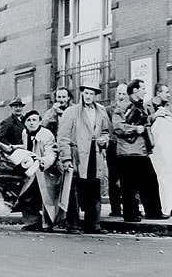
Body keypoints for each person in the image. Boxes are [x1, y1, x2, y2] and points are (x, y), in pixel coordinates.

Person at [112, 79, 170, 222]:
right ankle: (131, 215)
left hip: (141, 150)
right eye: (143, 88)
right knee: (129, 185)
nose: (145, 91)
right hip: (128, 152)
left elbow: (145, 122)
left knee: (150, 181)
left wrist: (155, 116)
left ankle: (153, 212)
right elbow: (118, 127)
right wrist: (134, 129)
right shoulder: (123, 107)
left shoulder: (141, 106)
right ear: (135, 90)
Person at [58, 80, 110, 234]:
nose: (88, 96)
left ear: (95, 96)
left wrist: (104, 140)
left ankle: (93, 224)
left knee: (94, 188)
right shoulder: (71, 112)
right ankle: (72, 224)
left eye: (91, 94)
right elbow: (63, 137)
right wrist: (66, 158)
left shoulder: (101, 111)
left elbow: (106, 132)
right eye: (86, 93)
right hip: (76, 155)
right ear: (82, 93)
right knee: (74, 190)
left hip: (94, 154)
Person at [146, 83, 172, 217]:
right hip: (154, 147)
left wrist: (170, 115)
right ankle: (161, 206)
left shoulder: (169, 106)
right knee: (157, 178)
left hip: (168, 146)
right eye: (166, 92)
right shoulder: (148, 106)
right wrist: (155, 116)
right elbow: (144, 123)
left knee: (171, 176)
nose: (168, 95)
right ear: (158, 93)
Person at [17, 110, 58, 232]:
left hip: (45, 171)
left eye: (34, 120)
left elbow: (51, 152)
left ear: (40, 121)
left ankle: (48, 224)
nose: (31, 123)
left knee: (46, 197)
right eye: (28, 120)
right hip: (30, 171)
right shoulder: (25, 133)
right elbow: (26, 147)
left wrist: (43, 161)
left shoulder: (46, 135)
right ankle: (33, 221)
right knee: (24, 196)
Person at [105, 83, 127, 217]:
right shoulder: (108, 110)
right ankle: (115, 208)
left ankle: (129, 206)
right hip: (113, 147)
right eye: (119, 93)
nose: (121, 96)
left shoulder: (131, 108)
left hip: (127, 148)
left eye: (124, 94)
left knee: (127, 179)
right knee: (113, 179)